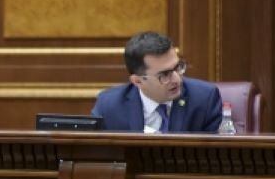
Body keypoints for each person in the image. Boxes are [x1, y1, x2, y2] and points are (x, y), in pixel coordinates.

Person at [91, 31, 223, 133]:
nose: (176, 79)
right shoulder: (109, 106)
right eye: (165, 74)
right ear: (137, 81)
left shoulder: (205, 99)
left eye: (178, 67)